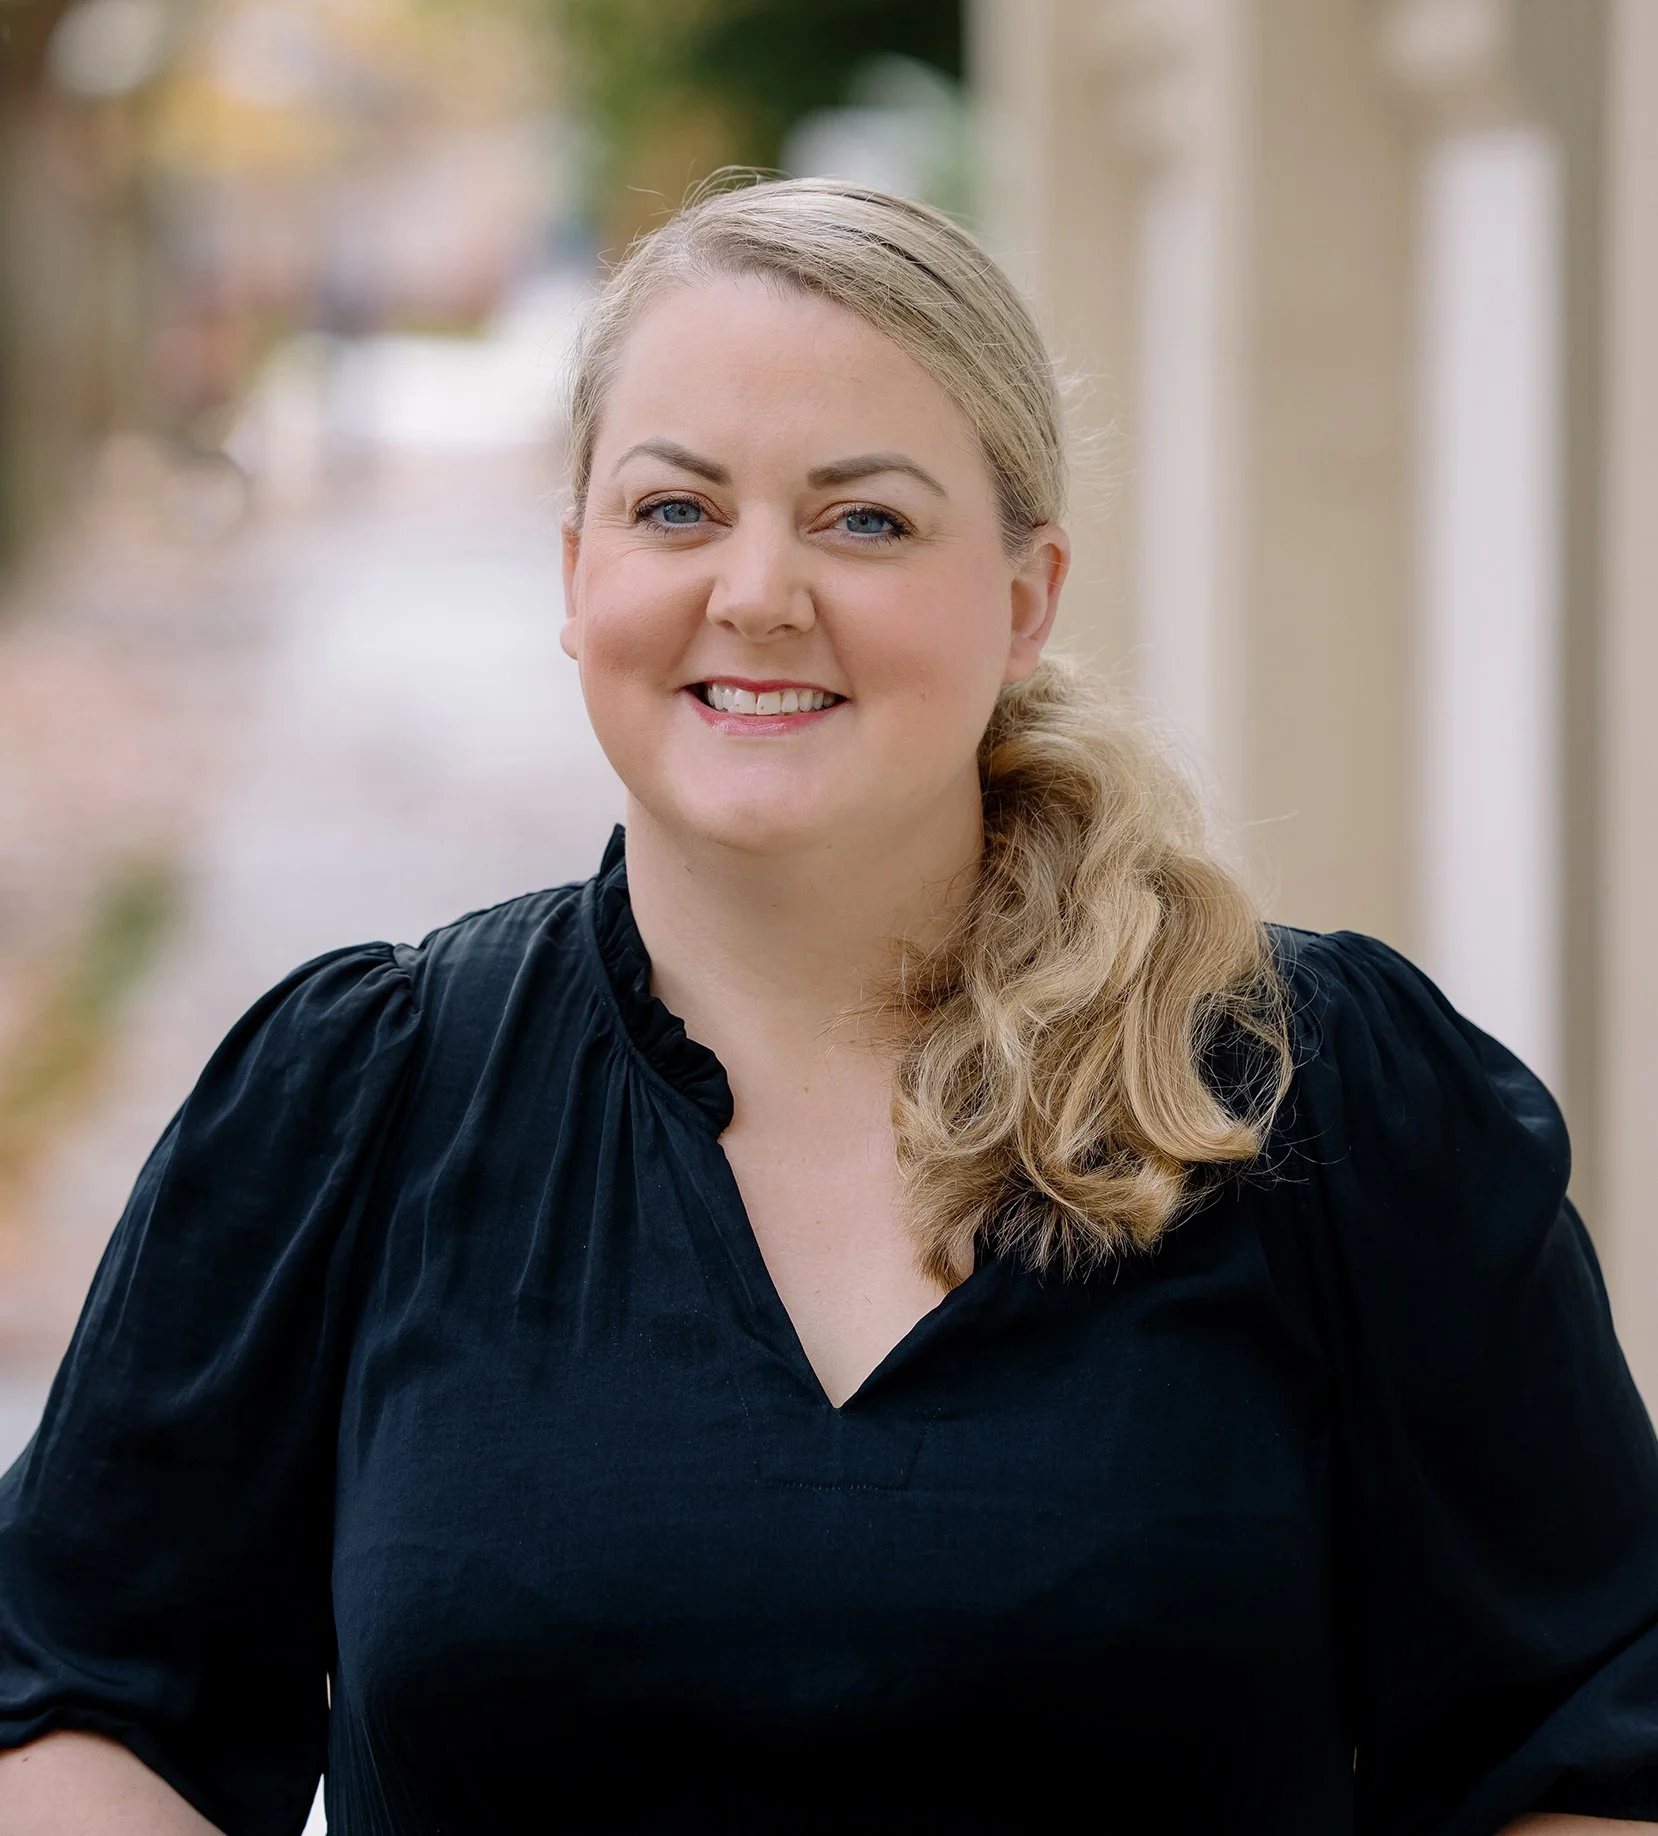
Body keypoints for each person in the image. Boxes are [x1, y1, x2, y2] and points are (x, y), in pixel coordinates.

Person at [1, 176, 1655, 1836]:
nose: (758, 593)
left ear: (1024, 599)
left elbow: (1587, 1729)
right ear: (575, 574)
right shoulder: (358, 1099)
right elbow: (70, 1688)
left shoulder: (1315, 1097)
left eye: (864, 519)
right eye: (675, 511)